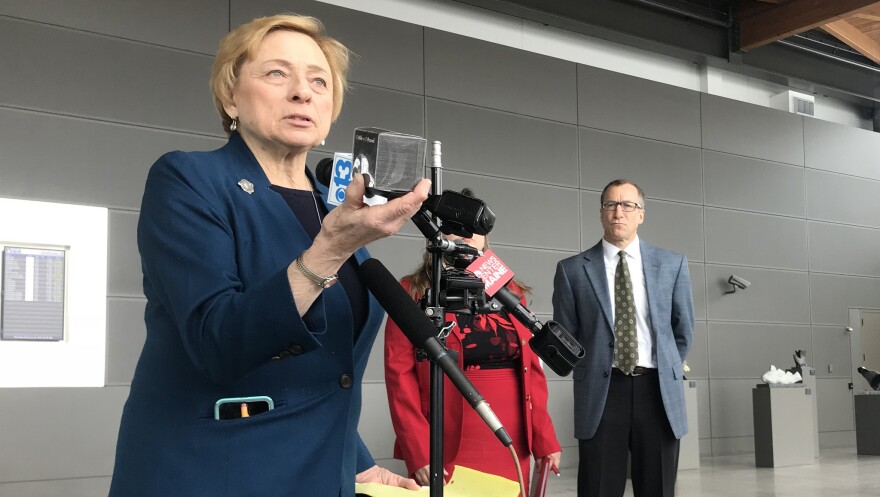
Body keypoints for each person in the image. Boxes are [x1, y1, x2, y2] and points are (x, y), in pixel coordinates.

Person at [108, 14, 428, 497]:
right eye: (277, 73)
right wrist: (329, 252)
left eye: (319, 81)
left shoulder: (334, 205)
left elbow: (330, 373)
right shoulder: (189, 181)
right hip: (210, 472)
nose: (303, 91)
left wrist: (356, 460)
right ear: (231, 96)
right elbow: (218, 342)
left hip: (321, 474)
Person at [384, 203, 562, 490]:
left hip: (512, 438)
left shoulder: (510, 292)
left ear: (485, 237)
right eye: (455, 226)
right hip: (448, 441)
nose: (464, 235)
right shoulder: (413, 292)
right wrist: (419, 451)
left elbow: (532, 371)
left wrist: (544, 438)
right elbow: (399, 377)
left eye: (473, 228)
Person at [552, 179, 694, 497]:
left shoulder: (672, 265)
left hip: (657, 391)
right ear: (601, 213)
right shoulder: (572, 271)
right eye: (610, 204)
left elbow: (683, 331)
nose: (619, 212)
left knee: (657, 488)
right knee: (598, 488)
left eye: (628, 205)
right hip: (602, 394)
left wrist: (668, 365)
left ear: (641, 214)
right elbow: (566, 337)